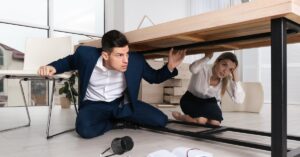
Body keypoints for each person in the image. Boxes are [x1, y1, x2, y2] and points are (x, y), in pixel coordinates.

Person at [38, 30, 186, 138]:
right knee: (84, 130)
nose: (126, 60)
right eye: (119, 55)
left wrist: (170, 66)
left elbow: (154, 77)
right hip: (94, 104)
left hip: (122, 104)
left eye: (127, 53)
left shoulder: (135, 61)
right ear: (105, 55)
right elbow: (69, 61)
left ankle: (119, 117)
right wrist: (53, 67)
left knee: (160, 121)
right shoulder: (86, 55)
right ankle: (114, 122)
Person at [172, 52, 245, 126]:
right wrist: (207, 57)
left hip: (209, 103)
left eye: (230, 69)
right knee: (201, 121)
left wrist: (235, 78)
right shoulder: (203, 68)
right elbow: (192, 68)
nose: (225, 71)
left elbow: (239, 100)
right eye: (224, 65)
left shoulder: (227, 80)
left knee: (215, 123)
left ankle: (198, 118)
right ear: (217, 62)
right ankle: (181, 117)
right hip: (191, 100)